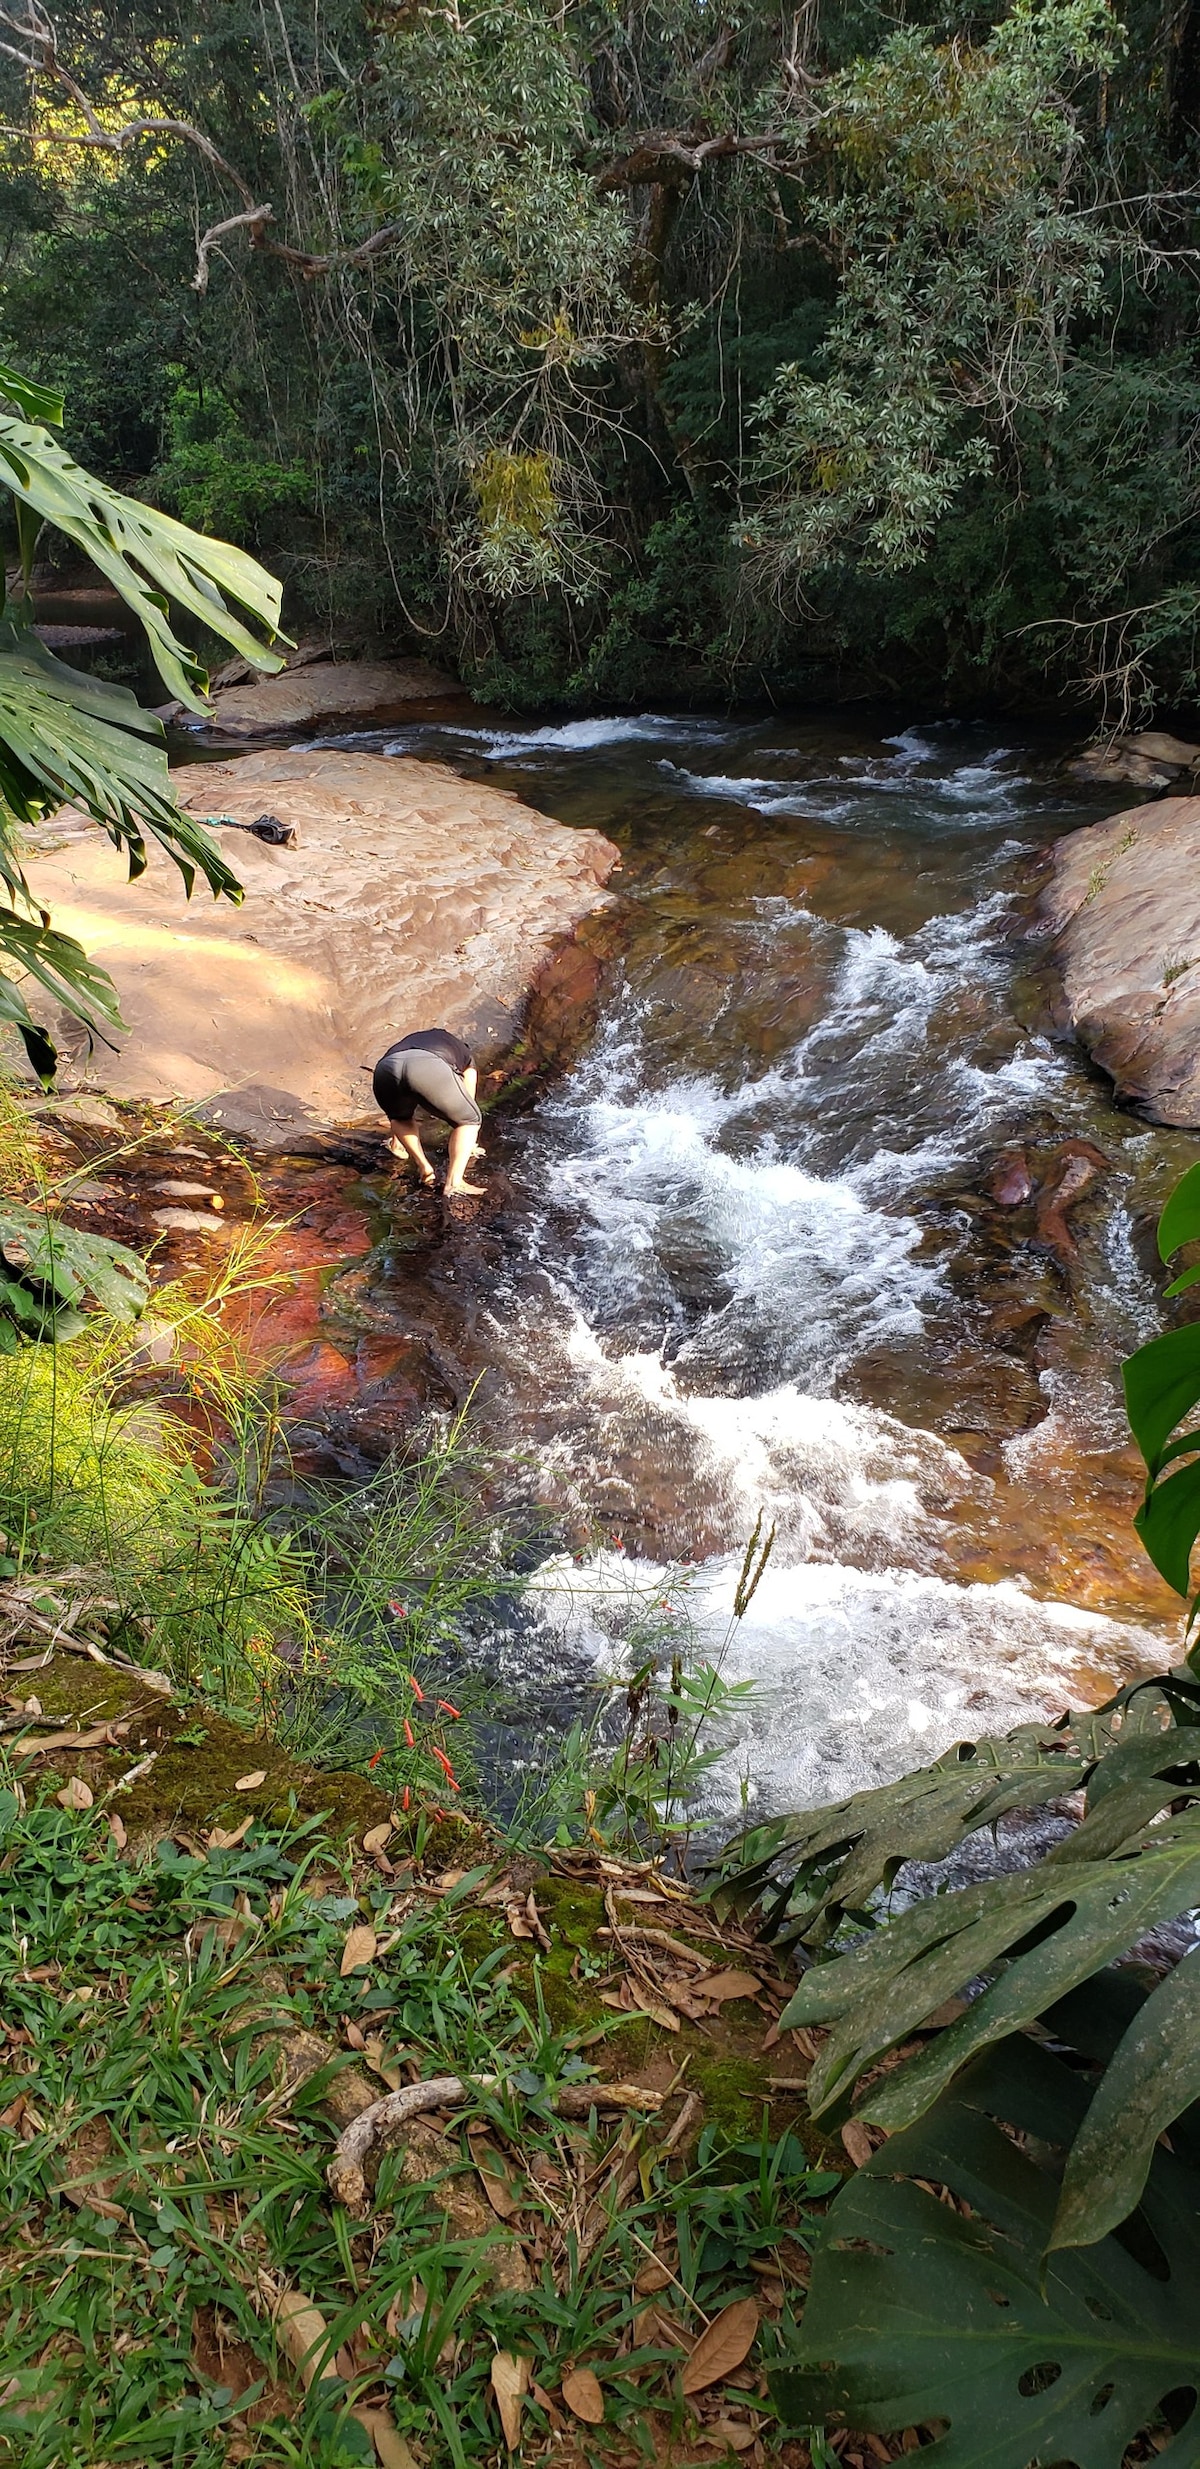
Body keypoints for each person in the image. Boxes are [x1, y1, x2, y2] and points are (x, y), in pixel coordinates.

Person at [372, 1027, 485, 1197]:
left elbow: (397, 1115)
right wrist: (468, 1142)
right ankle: (455, 1183)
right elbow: (468, 1099)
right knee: (470, 1121)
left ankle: (421, 1164)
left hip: (385, 1068)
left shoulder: (416, 1038)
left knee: (400, 1118)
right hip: (427, 1065)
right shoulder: (466, 1056)